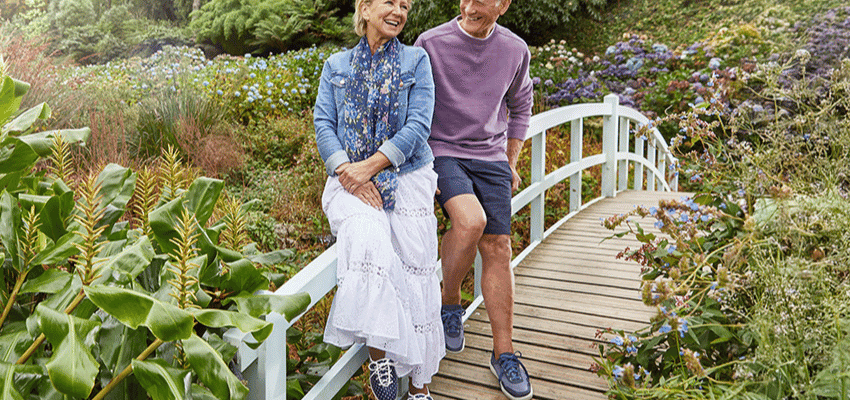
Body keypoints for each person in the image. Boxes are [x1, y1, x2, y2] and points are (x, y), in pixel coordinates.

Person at [313, 0, 444, 399]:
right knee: (371, 241)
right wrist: (347, 173)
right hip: (348, 179)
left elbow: (418, 126)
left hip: (407, 175)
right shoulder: (336, 66)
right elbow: (324, 124)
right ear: (366, 9)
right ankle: (380, 360)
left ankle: (420, 386)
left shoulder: (416, 61)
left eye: (405, 5)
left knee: (416, 267)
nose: (399, 11)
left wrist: (368, 167)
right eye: (390, 1)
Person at [414, 0, 534, 399]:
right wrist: (418, 164)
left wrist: (511, 160)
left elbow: (521, 105)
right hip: (443, 151)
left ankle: (504, 354)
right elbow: (412, 106)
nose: (468, 7)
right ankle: (450, 300)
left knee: (498, 247)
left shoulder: (515, 50)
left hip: (491, 156)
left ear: (503, 5)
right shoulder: (431, 43)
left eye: (481, 1)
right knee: (470, 221)